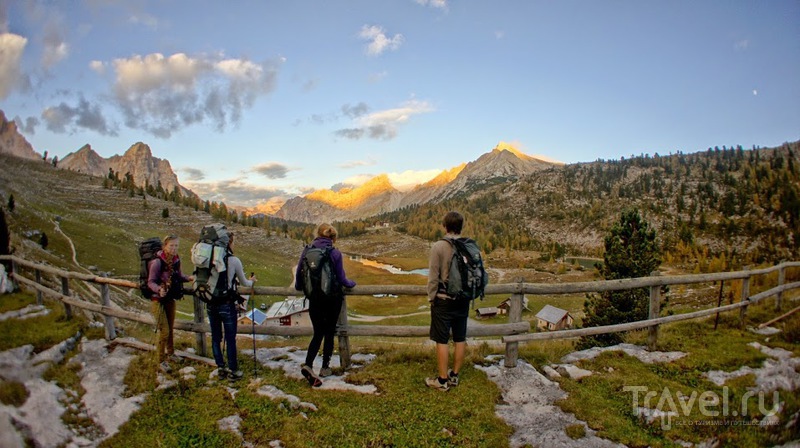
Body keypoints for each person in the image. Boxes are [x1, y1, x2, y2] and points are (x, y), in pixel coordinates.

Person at [294, 223, 356, 387]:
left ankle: (308, 364)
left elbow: (299, 272)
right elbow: (342, 279)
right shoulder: (335, 253)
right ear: (333, 238)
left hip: (314, 299)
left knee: (317, 333)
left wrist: (300, 288)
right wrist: (352, 283)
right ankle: (325, 367)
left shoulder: (307, 251)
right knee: (329, 332)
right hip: (332, 299)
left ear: (317, 234)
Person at [425, 211, 469, 391]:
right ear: (460, 227)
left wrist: (431, 297)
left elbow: (433, 277)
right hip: (463, 299)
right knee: (460, 338)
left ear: (445, 226)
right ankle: (454, 376)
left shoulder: (439, 247)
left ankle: (442, 381)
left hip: (443, 300)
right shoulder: (468, 246)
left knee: (442, 340)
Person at [206, 232, 256, 381]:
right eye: (233, 242)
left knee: (216, 337)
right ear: (229, 244)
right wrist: (252, 280)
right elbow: (245, 284)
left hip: (211, 303)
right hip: (226, 304)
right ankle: (233, 370)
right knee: (230, 337)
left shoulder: (207, 259)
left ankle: (220, 367)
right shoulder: (233, 260)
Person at [147, 234, 194, 373]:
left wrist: (189, 278)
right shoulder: (157, 262)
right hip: (158, 300)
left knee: (170, 328)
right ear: (164, 246)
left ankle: (171, 353)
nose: (174, 248)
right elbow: (150, 282)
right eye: (171, 245)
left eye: (176, 245)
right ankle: (161, 360)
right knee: (164, 331)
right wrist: (159, 289)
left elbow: (178, 276)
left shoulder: (175, 259)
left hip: (170, 298)